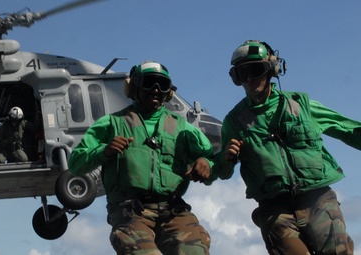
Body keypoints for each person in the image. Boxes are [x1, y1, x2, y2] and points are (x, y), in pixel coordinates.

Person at [211, 40, 361, 255]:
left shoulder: (302, 106)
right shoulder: (233, 122)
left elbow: (349, 130)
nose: (250, 79)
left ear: (272, 69)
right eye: (242, 74)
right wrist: (225, 159)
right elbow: (222, 172)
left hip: (317, 199)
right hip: (274, 208)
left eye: (256, 70)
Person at [68, 61, 214, 255]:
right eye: (149, 83)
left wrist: (206, 163)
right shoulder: (112, 123)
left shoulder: (183, 128)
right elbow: (76, 164)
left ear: (168, 91)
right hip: (130, 211)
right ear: (133, 87)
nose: (155, 90)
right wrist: (105, 151)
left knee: (195, 250)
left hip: (172, 209)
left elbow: (211, 158)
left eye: (161, 84)